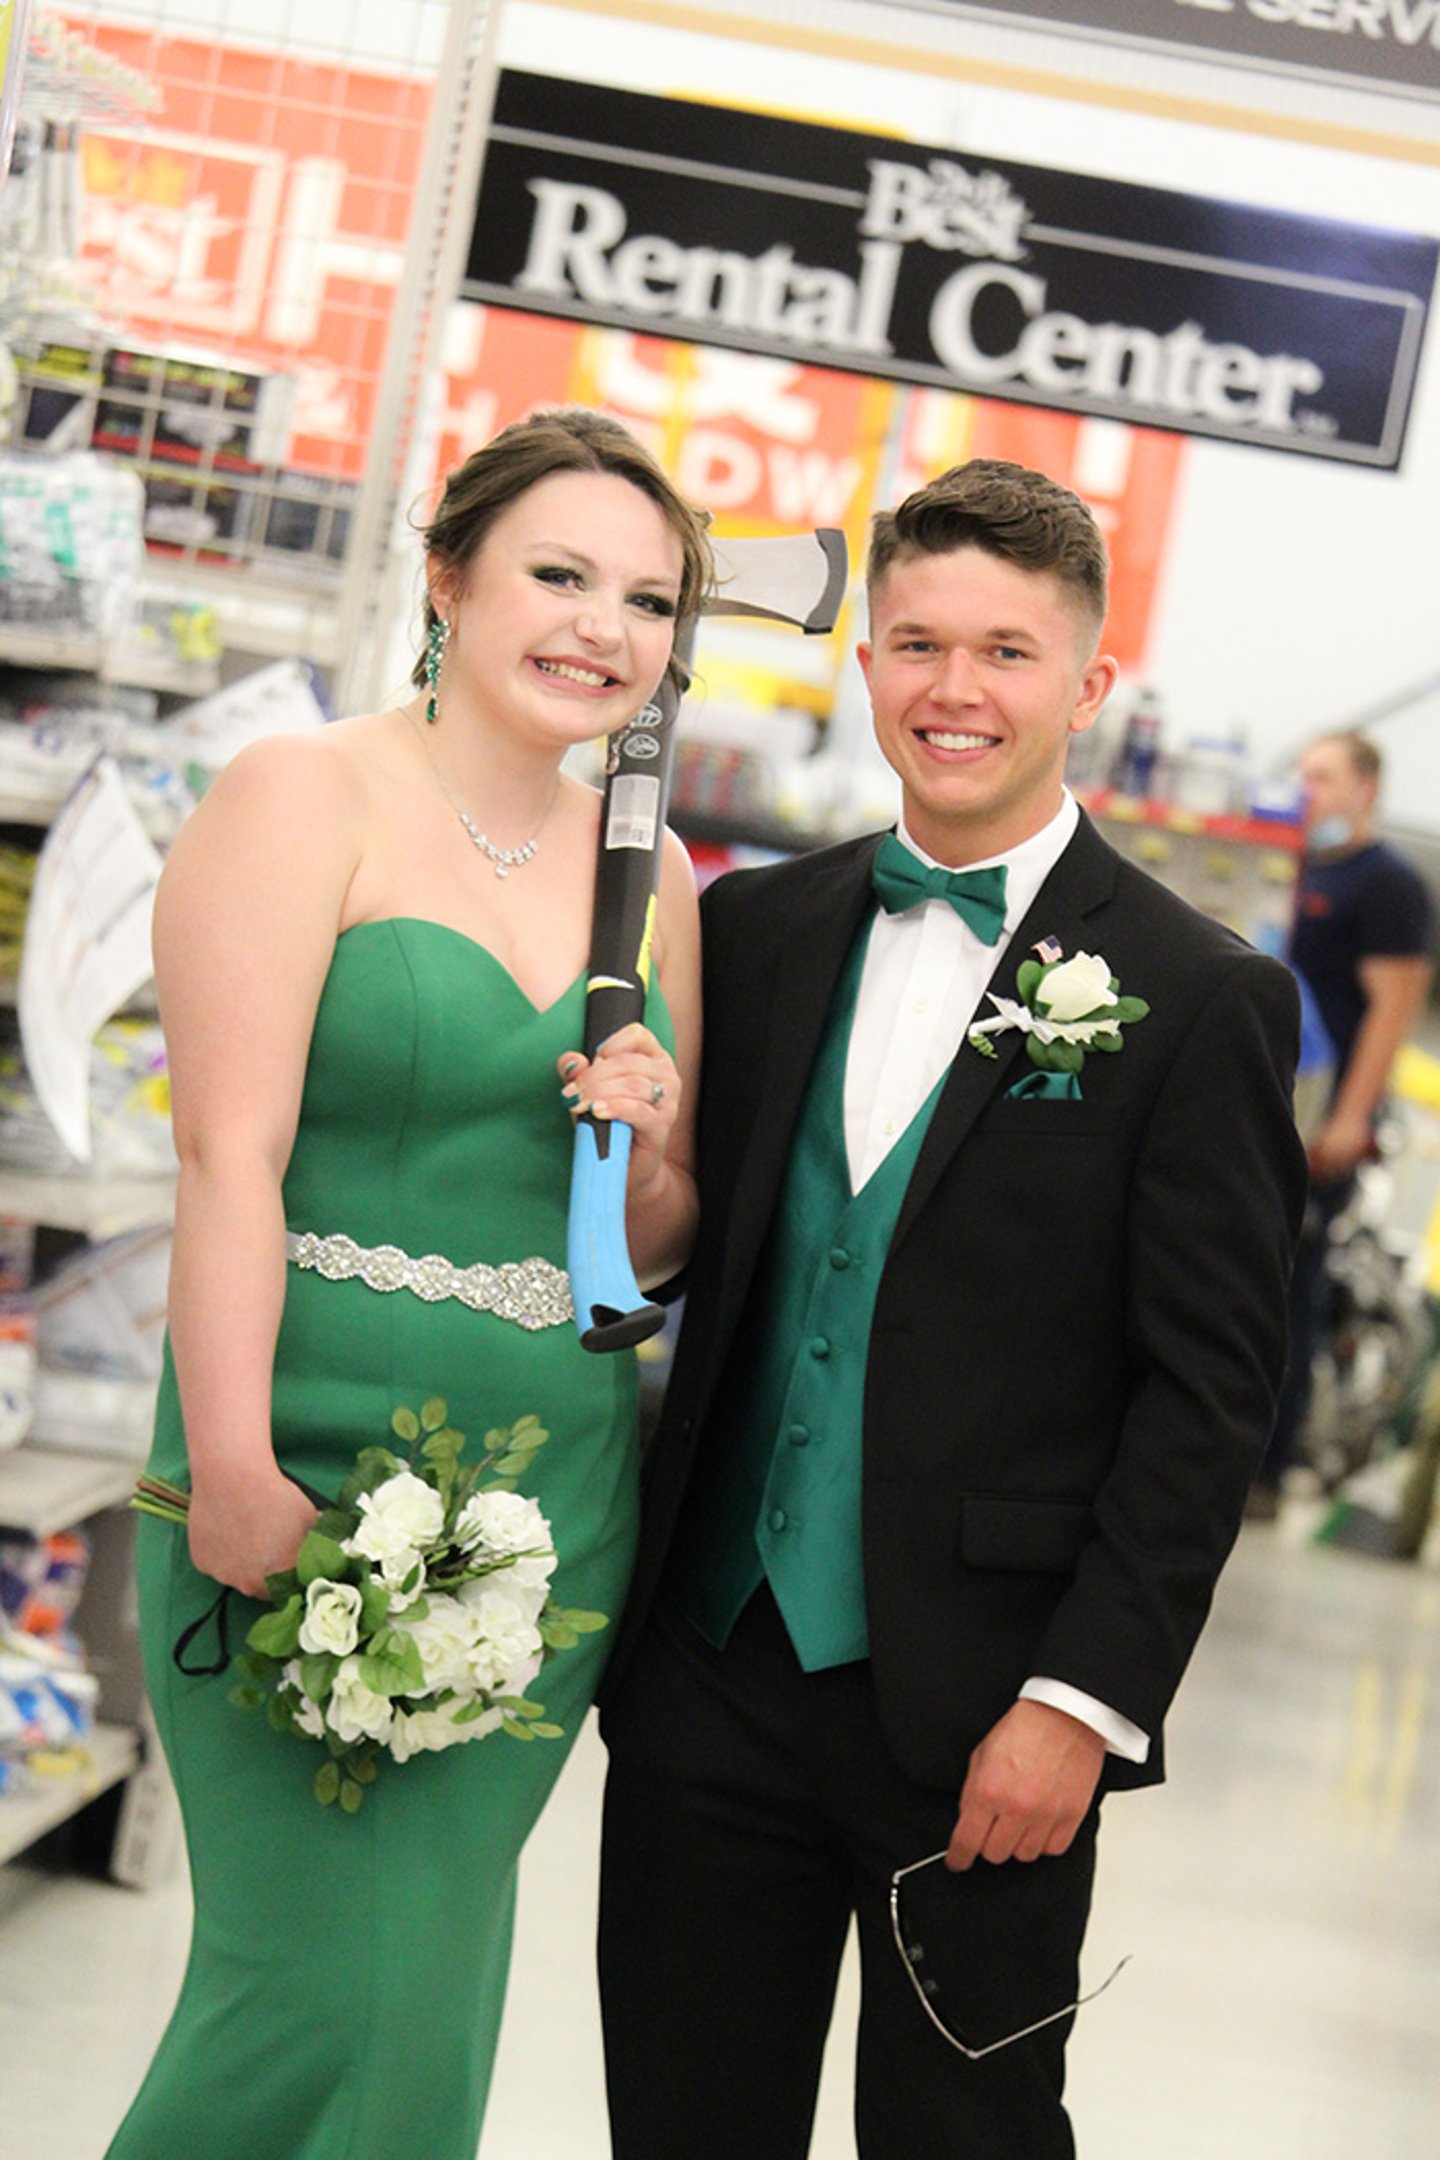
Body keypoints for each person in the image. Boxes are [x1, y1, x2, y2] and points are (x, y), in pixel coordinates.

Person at [596, 458, 1307, 2159]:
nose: (954, 691)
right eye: (917, 643)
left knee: (965, 2140)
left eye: (1004, 651)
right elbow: (704, 1253)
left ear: (1090, 684)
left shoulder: (1199, 996)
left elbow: (1210, 1396)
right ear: (867, 666)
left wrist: (1081, 1706)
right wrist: (629, 1179)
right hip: (711, 1674)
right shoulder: (757, 928)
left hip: (991, 1716)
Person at [105, 409, 709, 2160]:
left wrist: (655, 1141)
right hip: (291, 1454)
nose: (605, 624)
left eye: (650, 599)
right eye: (562, 573)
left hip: (552, 1505)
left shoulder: (653, 871)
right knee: (306, 1980)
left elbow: (650, 1248)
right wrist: (227, 1456)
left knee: (429, 1984)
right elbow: (228, 1157)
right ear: (448, 578)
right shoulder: (305, 794)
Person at [1250, 729, 1434, 1514]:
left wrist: (1351, 1119)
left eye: (1323, 778)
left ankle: (1268, 1467)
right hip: (1267, 1096)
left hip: (1325, 1117)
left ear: (1365, 789)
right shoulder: (1291, 867)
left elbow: (1392, 1012)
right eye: (1301, 776)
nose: (1307, 791)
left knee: (1291, 1284)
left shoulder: (1385, 883)